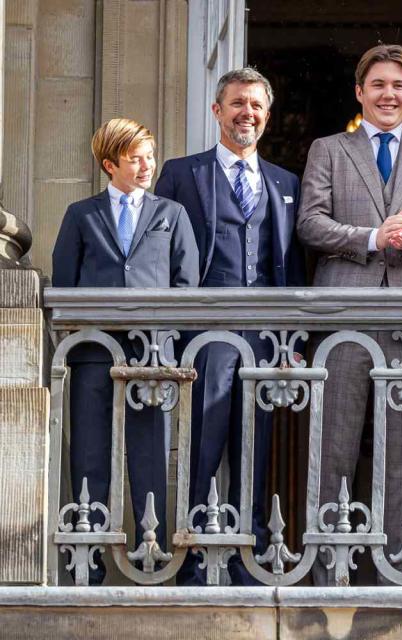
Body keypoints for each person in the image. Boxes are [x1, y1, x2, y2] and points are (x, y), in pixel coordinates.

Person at [296, 44, 402, 583]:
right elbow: (311, 224)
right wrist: (372, 236)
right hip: (345, 312)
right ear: (360, 92)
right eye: (379, 85)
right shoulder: (329, 149)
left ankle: (398, 565)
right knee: (335, 444)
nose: (389, 95)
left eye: (399, 86)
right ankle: (328, 568)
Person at [155, 67, 304, 585]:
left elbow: (293, 267)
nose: (248, 113)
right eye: (238, 103)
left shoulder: (285, 182)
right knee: (203, 444)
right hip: (203, 333)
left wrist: (293, 340)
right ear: (217, 111)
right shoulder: (180, 173)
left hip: (264, 336)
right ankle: (191, 561)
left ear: (267, 115)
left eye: (257, 105)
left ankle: (249, 558)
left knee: (254, 450)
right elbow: (162, 251)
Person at [52, 118, 199, 584]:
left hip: (151, 355)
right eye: (135, 157)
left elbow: (186, 285)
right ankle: (86, 568)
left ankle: (151, 564)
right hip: (94, 351)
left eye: (149, 156)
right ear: (109, 163)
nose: (146, 165)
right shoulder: (81, 214)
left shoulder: (170, 214)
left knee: (150, 455)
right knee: (91, 458)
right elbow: (65, 283)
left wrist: (168, 344)